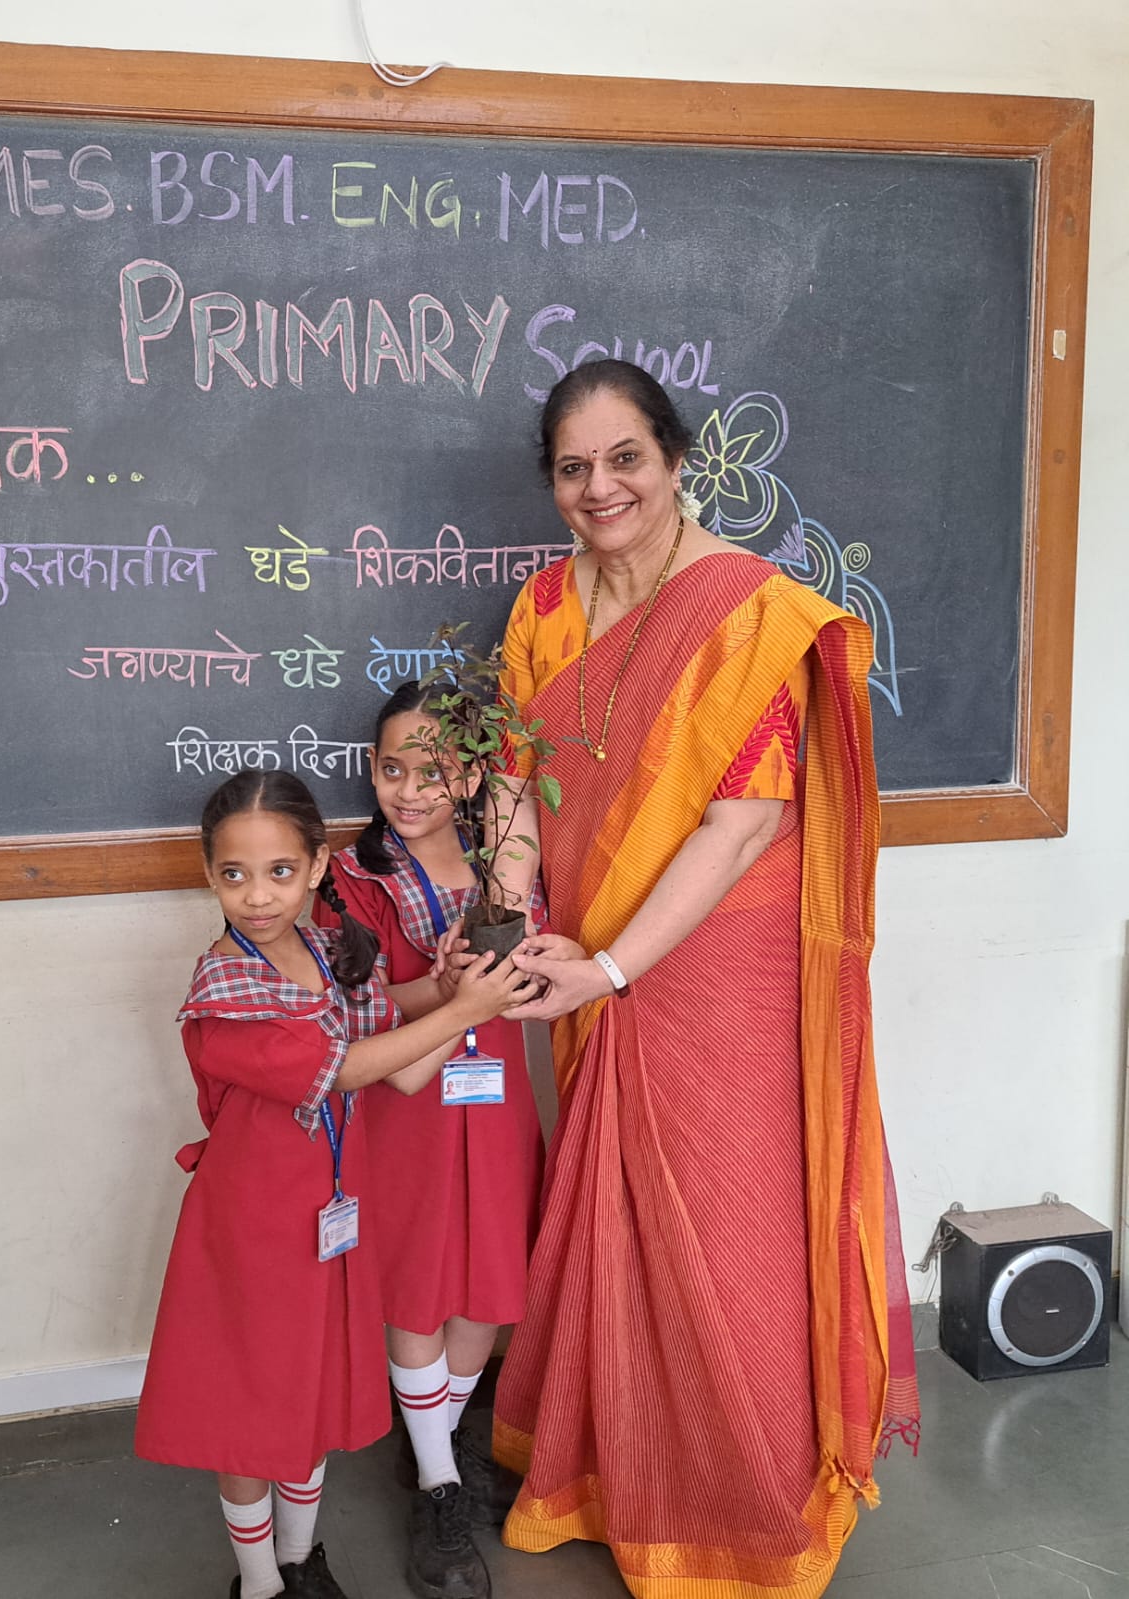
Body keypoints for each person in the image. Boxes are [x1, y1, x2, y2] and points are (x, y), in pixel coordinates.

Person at [480, 358, 920, 1598]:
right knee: (614, 1214)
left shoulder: (749, 614)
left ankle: (740, 1506)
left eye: (626, 458)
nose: (602, 488)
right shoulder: (543, 610)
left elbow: (743, 825)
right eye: (575, 468)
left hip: (719, 962)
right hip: (581, 958)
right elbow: (514, 779)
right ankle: (612, 1476)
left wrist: (611, 965)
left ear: (675, 461)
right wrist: (514, 921)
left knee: (727, 1228)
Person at [134, 770, 536, 1599]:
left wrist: (455, 987)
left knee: (307, 1397)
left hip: (325, 1219)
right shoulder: (224, 994)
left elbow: (391, 1040)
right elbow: (345, 1066)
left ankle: (299, 1560)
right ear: (208, 874)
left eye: (280, 871)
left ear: (318, 867)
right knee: (252, 1411)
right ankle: (259, 1584)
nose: (257, 895)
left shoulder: (317, 950)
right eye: (234, 874)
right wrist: (465, 1009)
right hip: (252, 1230)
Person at [314, 683, 545, 1599]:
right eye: (390, 769)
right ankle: (440, 1484)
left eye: (434, 771)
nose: (408, 791)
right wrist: (448, 986)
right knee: (416, 1280)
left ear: (476, 776)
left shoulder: (505, 859)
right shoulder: (350, 878)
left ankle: (432, 1443)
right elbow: (355, 1012)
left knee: (486, 1275)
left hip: (495, 1098)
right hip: (406, 1104)